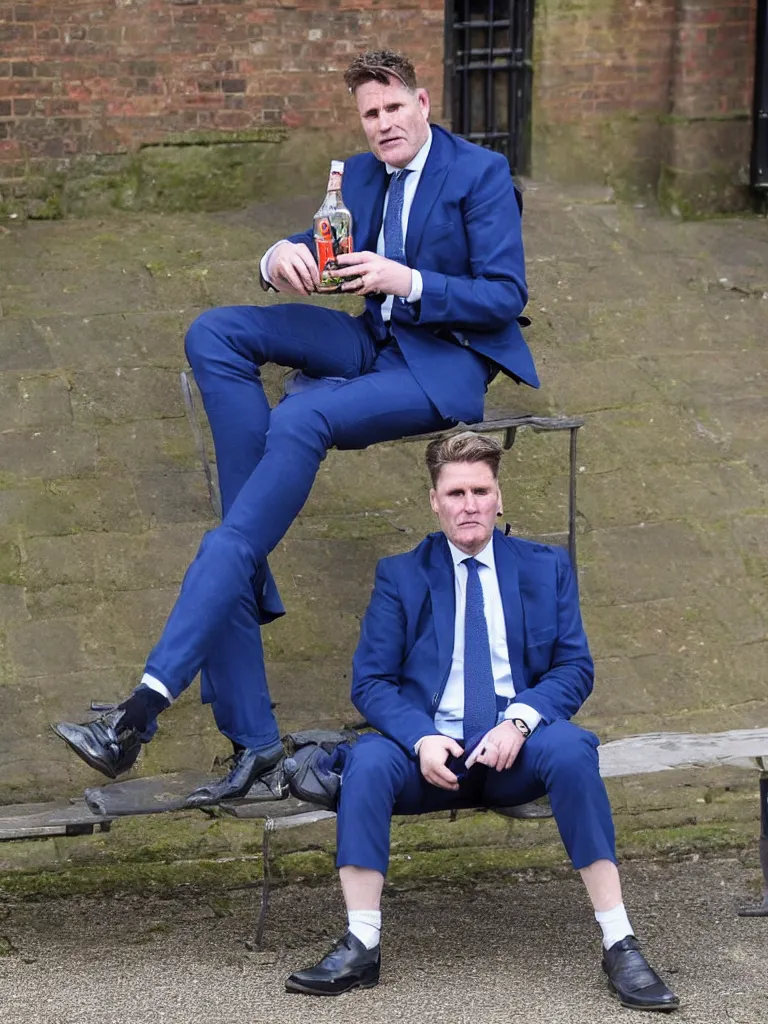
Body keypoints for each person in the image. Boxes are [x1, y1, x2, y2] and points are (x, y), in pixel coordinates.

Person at [52, 49, 538, 807]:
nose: (382, 126)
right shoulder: (359, 172)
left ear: (423, 101)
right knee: (216, 332)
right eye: (369, 116)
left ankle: (141, 711)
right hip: (370, 342)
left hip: (440, 365)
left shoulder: (479, 174)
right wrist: (277, 255)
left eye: (392, 109)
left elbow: (505, 294)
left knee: (298, 418)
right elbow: (317, 243)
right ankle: (244, 549)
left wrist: (403, 279)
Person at [285, 432, 680, 1013]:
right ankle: (361, 945)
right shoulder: (401, 575)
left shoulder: (545, 568)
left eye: (480, 490)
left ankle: (619, 941)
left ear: (499, 497)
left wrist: (518, 723)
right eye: (456, 492)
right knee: (367, 760)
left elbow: (574, 668)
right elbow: (370, 682)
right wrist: (421, 738)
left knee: (572, 750)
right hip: (429, 757)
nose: (469, 504)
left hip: (513, 753)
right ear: (434, 501)